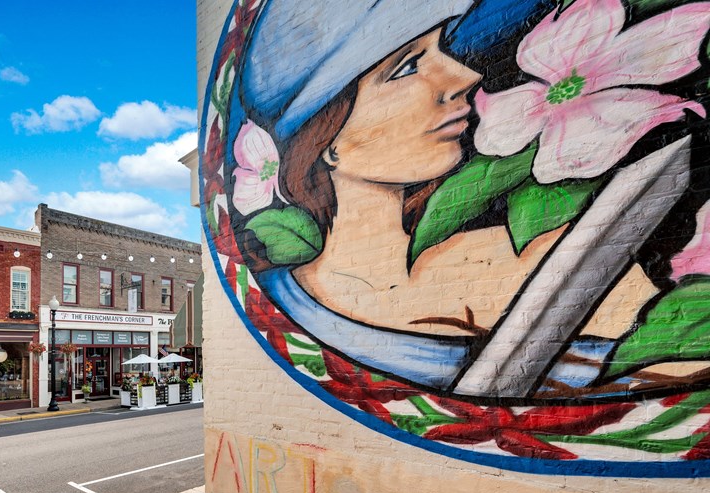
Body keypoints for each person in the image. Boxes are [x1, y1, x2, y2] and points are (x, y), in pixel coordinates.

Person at [234, 0, 707, 400]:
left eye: (441, 49)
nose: (463, 74)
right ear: (329, 142)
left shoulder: (539, 259)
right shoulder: (276, 301)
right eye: (407, 66)